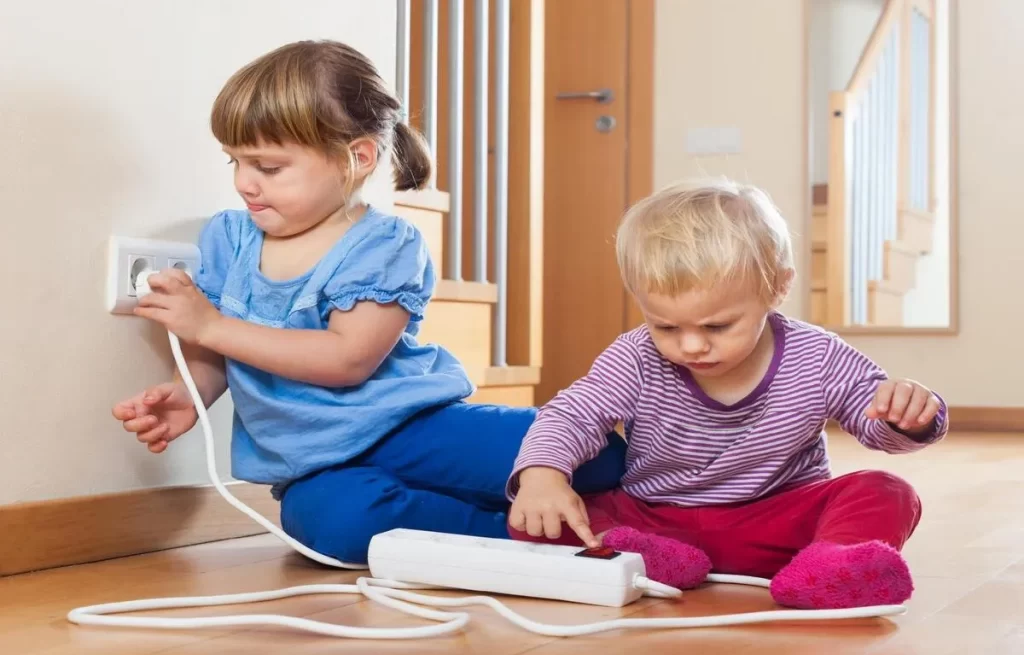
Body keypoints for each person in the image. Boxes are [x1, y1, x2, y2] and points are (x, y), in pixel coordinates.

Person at [110, 40, 625, 565]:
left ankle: (583, 505)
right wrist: (189, 392)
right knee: (332, 527)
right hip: (318, 466)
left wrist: (211, 326)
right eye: (235, 161)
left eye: (268, 166)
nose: (245, 182)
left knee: (603, 456)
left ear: (356, 158)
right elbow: (218, 353)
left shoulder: (385, 244)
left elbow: (347, 359)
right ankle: (541, 537)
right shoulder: (228, 237)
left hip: (414, 429)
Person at [506, 178, 948, 609]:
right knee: (543, 515)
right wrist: (543, 474)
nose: (692, 345)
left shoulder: (818, 355)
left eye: (717, 326)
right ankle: (635, 555)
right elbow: (573, 414)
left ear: (777, 287)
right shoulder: (636, 355)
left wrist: (907, 416)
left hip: (776, 522)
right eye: (666, 326)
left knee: (887, 491)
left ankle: (831, 567)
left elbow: (874, 425)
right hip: (657, 519)